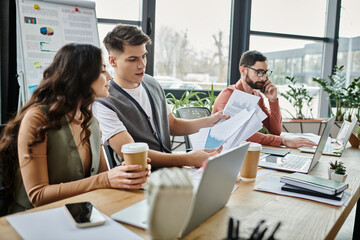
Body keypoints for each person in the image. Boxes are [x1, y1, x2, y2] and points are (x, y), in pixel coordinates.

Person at [0, 43, 149, 214]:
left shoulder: (91, 123)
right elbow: (38, 195)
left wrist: (127, 175)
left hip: (79, 218)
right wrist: (107, 179)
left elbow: (103, 181)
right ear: (81, 77)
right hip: (33, 221)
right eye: (101, 71)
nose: (109, 76)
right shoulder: (37, 118)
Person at [93, 24, 229, 168]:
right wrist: (188, 159)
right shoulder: (104, 102)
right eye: (133, 59)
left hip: (168, 174)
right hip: (138, 181)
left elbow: (172, 125)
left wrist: (210, 121)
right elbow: (132, 152)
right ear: (113, 61)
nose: (142, 65)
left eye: (144, 56)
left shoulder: (152, 83)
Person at [212, 50, 317, 148]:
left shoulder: (257, 97)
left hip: (244, 150)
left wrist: (273, 100)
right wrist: (282, 141)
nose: (263, 78)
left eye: (265, 72)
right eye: (259, 72)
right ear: (243, 70)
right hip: (221, 152)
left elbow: (275, 130)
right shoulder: (228, 96)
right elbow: (241, 134)